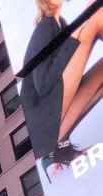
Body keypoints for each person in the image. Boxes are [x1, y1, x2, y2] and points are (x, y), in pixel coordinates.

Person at [20, 0, 103, 171]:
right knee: (95, 17)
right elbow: (42, 85)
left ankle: (60, 149)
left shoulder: (59, 24)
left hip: (48, 132)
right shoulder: (45, 26)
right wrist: (72, 41)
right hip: (39, 127)